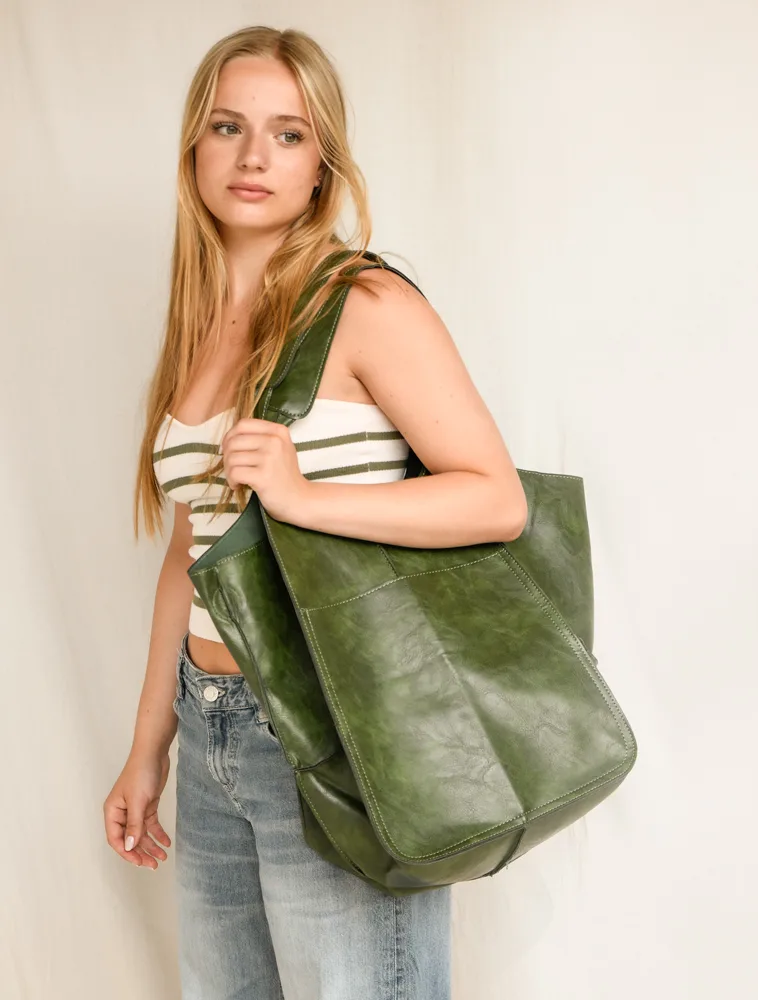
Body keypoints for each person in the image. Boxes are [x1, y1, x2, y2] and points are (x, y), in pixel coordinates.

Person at [102, 24, 527, 1000]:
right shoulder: (201, 329)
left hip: (333, 726)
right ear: (194, 149)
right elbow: (191, 551)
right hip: (211, 729)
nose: (254, 156)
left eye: (288, 134)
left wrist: (300, 496)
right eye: (229, 127)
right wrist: (150, 747)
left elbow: (494, 498)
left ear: (321, 163)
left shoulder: (364, 303)